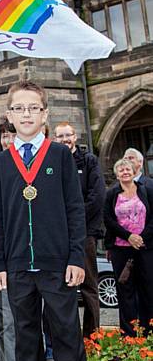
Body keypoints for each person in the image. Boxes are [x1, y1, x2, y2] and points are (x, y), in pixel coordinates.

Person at [0, 80, 93, 361]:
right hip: (17, 267)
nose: (27, 114)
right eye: (19, 108)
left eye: (34, 108)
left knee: (67, 342)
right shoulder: (1, 163)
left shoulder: (61, 157)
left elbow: (75, 209)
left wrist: (75, 259)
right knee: (26, 345)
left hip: (56, 267)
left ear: (45, 114)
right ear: (10, 115)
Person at [54, 121, 105, 337]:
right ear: (55, 139)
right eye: (60, 136)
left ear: (75, 137)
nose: (65, 139)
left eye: (68, 135)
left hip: (84, 234)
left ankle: (91, 338)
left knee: (89, 287)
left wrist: (73, 220)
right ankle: (68, 338)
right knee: (62, 290)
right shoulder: (52, 162)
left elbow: (97, 196)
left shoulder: (89, 161)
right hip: (58, 235)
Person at [103, 158, 153, 336]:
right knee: (125, 290)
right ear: (117, 174)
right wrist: (129, 236)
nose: (125, 172)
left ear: (134, 172)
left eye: (128, 169)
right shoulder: (111, 194)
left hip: (144, 248)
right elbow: (108, 219)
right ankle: (129, 333)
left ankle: (148, 330)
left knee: (147, 288)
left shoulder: (146, 191)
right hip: (120, 249)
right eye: (121, 170)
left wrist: (141, 238)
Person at [0, 116, 18, 361]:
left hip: (17, 253)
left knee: (13, 319)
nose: (7, 140)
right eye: (3, 135)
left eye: (10, 135)